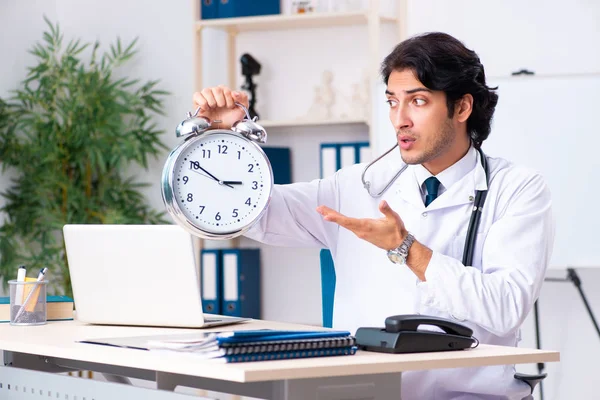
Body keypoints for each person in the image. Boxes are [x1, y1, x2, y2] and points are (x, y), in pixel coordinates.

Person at [192, 32, 555, 400]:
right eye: (392, 102)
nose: (400, 119)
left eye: (418, 101)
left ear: (462, 108)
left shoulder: (517, 190)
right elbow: (255, 215)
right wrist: (227, 139)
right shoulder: (358, 186)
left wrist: (407, 249)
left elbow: (507, 306)